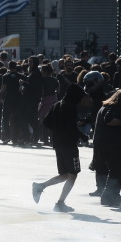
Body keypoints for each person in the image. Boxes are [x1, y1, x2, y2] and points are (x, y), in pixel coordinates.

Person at [32, 84, 89, 212]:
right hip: (69, 145)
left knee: (65, 174)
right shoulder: (71, 107)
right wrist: (83, 136)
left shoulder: (57, 104)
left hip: (58, 143)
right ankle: (60, 203)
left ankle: (40, 187)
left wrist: (58, 129)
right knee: (73, 174)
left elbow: (46, 122)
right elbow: (71, 128)